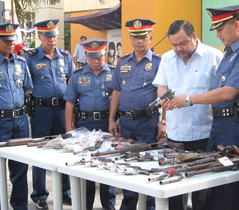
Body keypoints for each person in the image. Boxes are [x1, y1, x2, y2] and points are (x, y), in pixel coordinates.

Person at [162, 4, 239, 210]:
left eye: (219, 29)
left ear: (236, 25)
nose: (217, 35)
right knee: (216, 192)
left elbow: (228, 92)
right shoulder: (230, 53)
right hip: (219, 126)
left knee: (233, 191)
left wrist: (189, 99)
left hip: (235, 127)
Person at [153, 20, 223, 210]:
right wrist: (164, 98)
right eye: (174, 44)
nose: (178, 49)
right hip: (175, 135)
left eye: (183, 44)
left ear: (194, 37)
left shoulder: (214, 57)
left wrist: (190, 99)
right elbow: (162, 86)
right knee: (175, 191)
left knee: (202, 193)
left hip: (204, 134)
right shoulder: (167, 58)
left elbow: (222, 93)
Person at [108, 18, 162, 210]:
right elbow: (116, 92)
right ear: (130, 38)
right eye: (135, 37)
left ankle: (149, 205)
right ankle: (129, 204)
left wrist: (163, 122)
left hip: (148, 122)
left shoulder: (158, 62)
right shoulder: (123, 63)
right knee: (127, 165)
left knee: (148, 165)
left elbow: (165, 93)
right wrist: (111, 119)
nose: (139, 41)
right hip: (126, 123)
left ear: (150, 37)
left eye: (143, 37)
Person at [0, 22, 33, 210]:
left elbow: (28, 88)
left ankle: (19, 205)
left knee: (20, 167)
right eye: (6, 40)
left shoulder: (21, 62)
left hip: (20, 121)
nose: (10, 44)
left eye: (12, 40)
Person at [24, 19, 74, 210]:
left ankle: (65, 192)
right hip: (41, 111)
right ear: (39, 36)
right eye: (48, 36)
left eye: (54, 35)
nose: (52, 40)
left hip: (61, 110)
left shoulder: (65, 56)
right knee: (40, 152)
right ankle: (39, 194)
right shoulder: (31, 57)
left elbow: (71, 80)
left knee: (63, 150)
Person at [64, 38, 116, 210]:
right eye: (92, 57)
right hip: (85, 123)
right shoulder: (78, 75)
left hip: (106, 123)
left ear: (105, 55)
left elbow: (119, 99)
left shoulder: (113, 73)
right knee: (85, 167)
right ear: (86, 56)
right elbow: (70, 102)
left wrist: (115, 122)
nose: (96, 61)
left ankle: (109, 205)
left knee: (108, 166)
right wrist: (69, 128)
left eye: (99, 57)